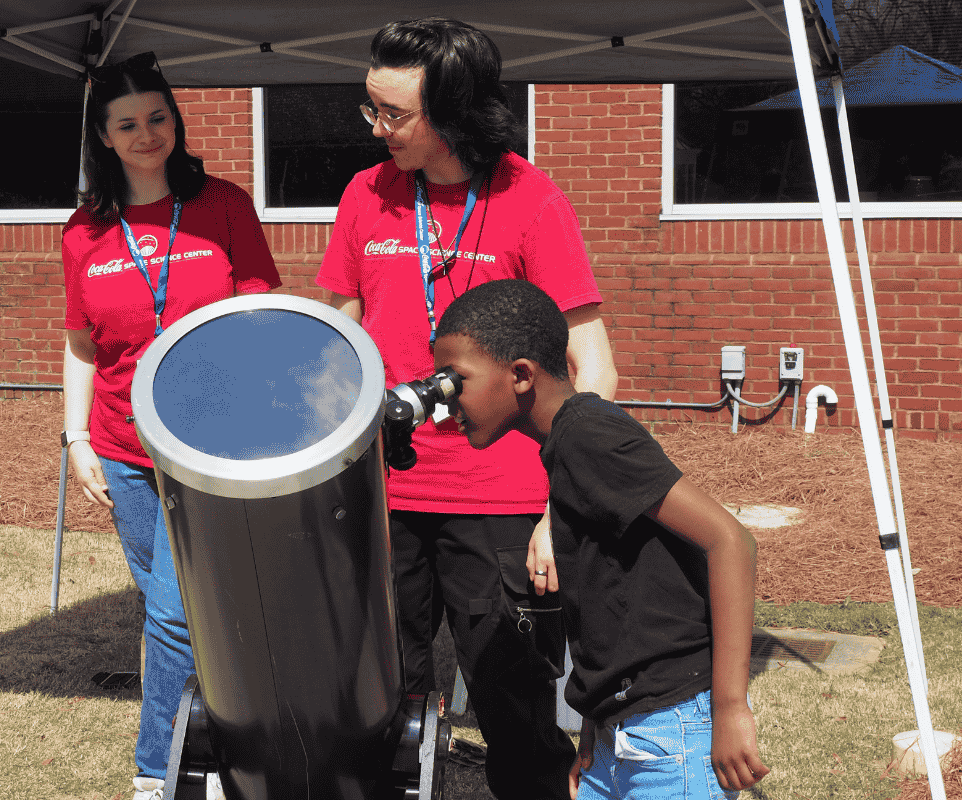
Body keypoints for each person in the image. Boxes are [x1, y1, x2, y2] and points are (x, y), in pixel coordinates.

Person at [316, 17, 617, 800]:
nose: (376, 128)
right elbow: (335, 342)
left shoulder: (531, 198)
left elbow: (595, 365)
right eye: (370, 109)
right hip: (382, 498)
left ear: (454, 112)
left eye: (394, 114)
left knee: (515, 715)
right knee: (380, 712)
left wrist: (563, 507)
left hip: (503, 503)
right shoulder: (365, 194)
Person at [432, 279, 770, 800]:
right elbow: (608, 599)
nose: (444, 401)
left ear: (520, 375)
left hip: (669, 730)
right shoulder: (563, 445)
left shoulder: (589, 434)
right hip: (620, 730)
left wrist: (729, 707)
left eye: (457, 381)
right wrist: (595, 718)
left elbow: (730, 541)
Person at [61, 52, 280, 800]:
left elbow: (260, 320)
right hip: (124, 450)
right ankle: (217, 747)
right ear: (105, 135)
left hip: (209, 448)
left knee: (176, 617)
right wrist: (76, 438)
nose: (147, 133)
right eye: (129, 123)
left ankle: (157, 771)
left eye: (158, 117)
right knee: (191, 621)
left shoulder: (221, 205)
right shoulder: (86, 230)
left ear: (175, 123)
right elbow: (81, 343)